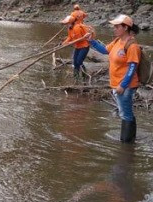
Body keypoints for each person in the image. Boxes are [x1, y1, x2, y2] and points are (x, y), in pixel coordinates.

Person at [86, 14, 141, 143]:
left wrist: (123, 85)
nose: (114, 29)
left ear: (125, 28)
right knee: (126, 112)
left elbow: (133, 67)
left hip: (125, 86)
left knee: (124, 113)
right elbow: (105, 50)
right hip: (117, 83)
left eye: (117, 27)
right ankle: (131, 139)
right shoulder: (117, 41)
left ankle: (126, 143)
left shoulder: (132, 46)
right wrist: (91, 41)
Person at [60, 13, 94, 82]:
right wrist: (64, 43)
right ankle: (76, 77)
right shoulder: (70, 28)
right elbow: (70, 37)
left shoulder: (77, 28)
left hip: (84, 46)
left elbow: (80, 39)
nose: (66, 25)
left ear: (71, 22)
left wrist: (69, 43)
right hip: (77, 47)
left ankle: (85, 76)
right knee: (75, 62)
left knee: (79, 61)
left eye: (67, 23)